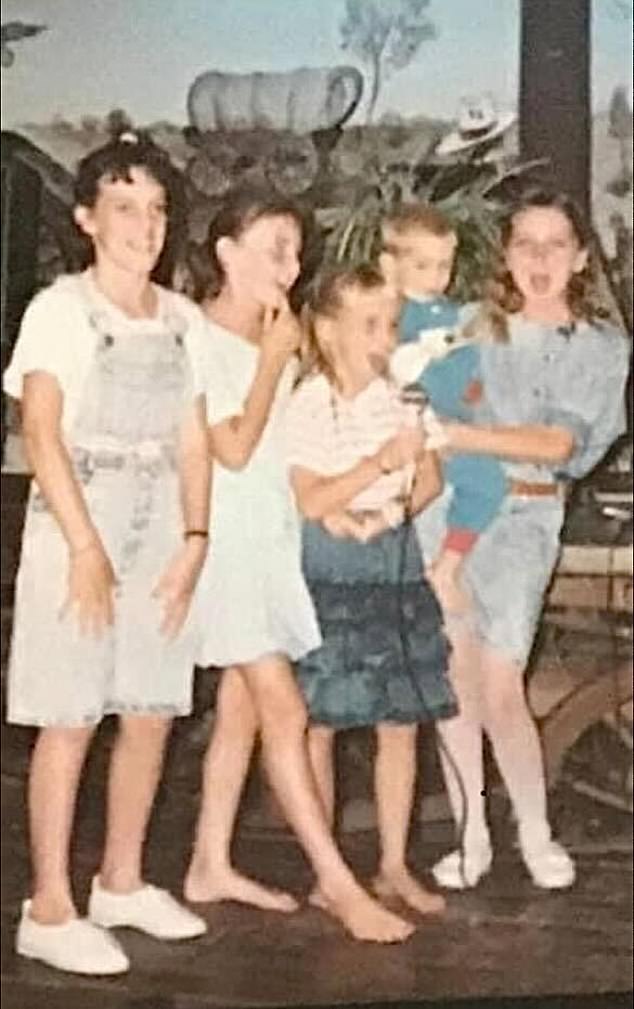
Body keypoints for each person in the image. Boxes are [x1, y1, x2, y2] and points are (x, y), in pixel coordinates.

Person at [3, 131, 211, 975]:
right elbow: (40, 430)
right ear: (89, 219)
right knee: (71, 713)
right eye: (126, 207)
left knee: (151, 708)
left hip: (161, 521)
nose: (145, 224)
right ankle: (47, 907)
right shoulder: (60, 309)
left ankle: (120, 881)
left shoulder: (182, 319)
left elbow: (194, 442)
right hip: (76, 519)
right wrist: (85, 545)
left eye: (157, 209)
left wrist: (194, 540)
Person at [184, 186, 415, 944]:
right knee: (286, 710)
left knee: (243, 712)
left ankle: (208, 863)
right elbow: (232, 448)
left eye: (293, 247)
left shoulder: (270, 335)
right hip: (227, 549)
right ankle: (340, 885)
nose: (289, 262)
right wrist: (273, 361)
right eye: (272, 247)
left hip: (273, 541)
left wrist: (338, 507)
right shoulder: (202, 334)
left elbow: (282, 457)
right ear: (226, 252)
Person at [414, 189, 630, 890]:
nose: (540, 259)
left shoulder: (601, 347)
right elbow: (408, 379)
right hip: (445, 510)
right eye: (525, 243)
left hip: (526, 520)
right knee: (454, 681)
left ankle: (534, 832)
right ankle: (469, 835)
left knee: (501, 679)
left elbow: (556, 444)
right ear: (506, 254)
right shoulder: (475, 327)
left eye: (555, 244)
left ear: (578, 256)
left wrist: (461, 435)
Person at [285, 263, 456, 915]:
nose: (385, 338)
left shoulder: (403, 397)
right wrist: (373, 469)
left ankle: (391, 863)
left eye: (391, 325)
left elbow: (432, 476)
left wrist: (388, 510)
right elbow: (309, 496)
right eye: (369, 326)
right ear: (329, 332)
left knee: (399, 720)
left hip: (393, 561)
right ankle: (329, 872)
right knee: (321, 720)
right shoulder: (308, 399)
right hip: (329, 568)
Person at [380, 203, 507, 611]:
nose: (436, 277)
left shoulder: (452, 312)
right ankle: (429, 567)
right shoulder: (391, 312)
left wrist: (474, 386)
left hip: (457, 420)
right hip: (418, 422)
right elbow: (397, 367)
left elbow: (470, 362)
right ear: (390, 265)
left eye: (443, 266)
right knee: (475, 483)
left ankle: (447, 563)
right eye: (422, 266)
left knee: (488, 482)